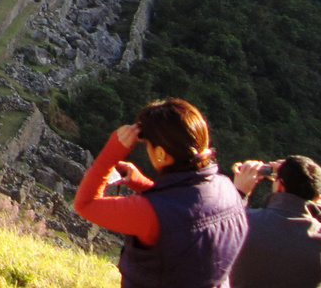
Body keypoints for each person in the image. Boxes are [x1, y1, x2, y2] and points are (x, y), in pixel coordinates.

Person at [74, 97, 247, 286]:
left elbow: (85, 204)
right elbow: (186, 213)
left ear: (161, 154)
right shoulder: (228, 188)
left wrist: (111, 153)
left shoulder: (149, 214)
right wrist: (142, 184)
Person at [228, 155, 321, 288]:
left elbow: (221, 228)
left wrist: (239, 192)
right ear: (317, 198)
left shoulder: (242, 223)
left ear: (279, 186)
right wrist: (315, 199)